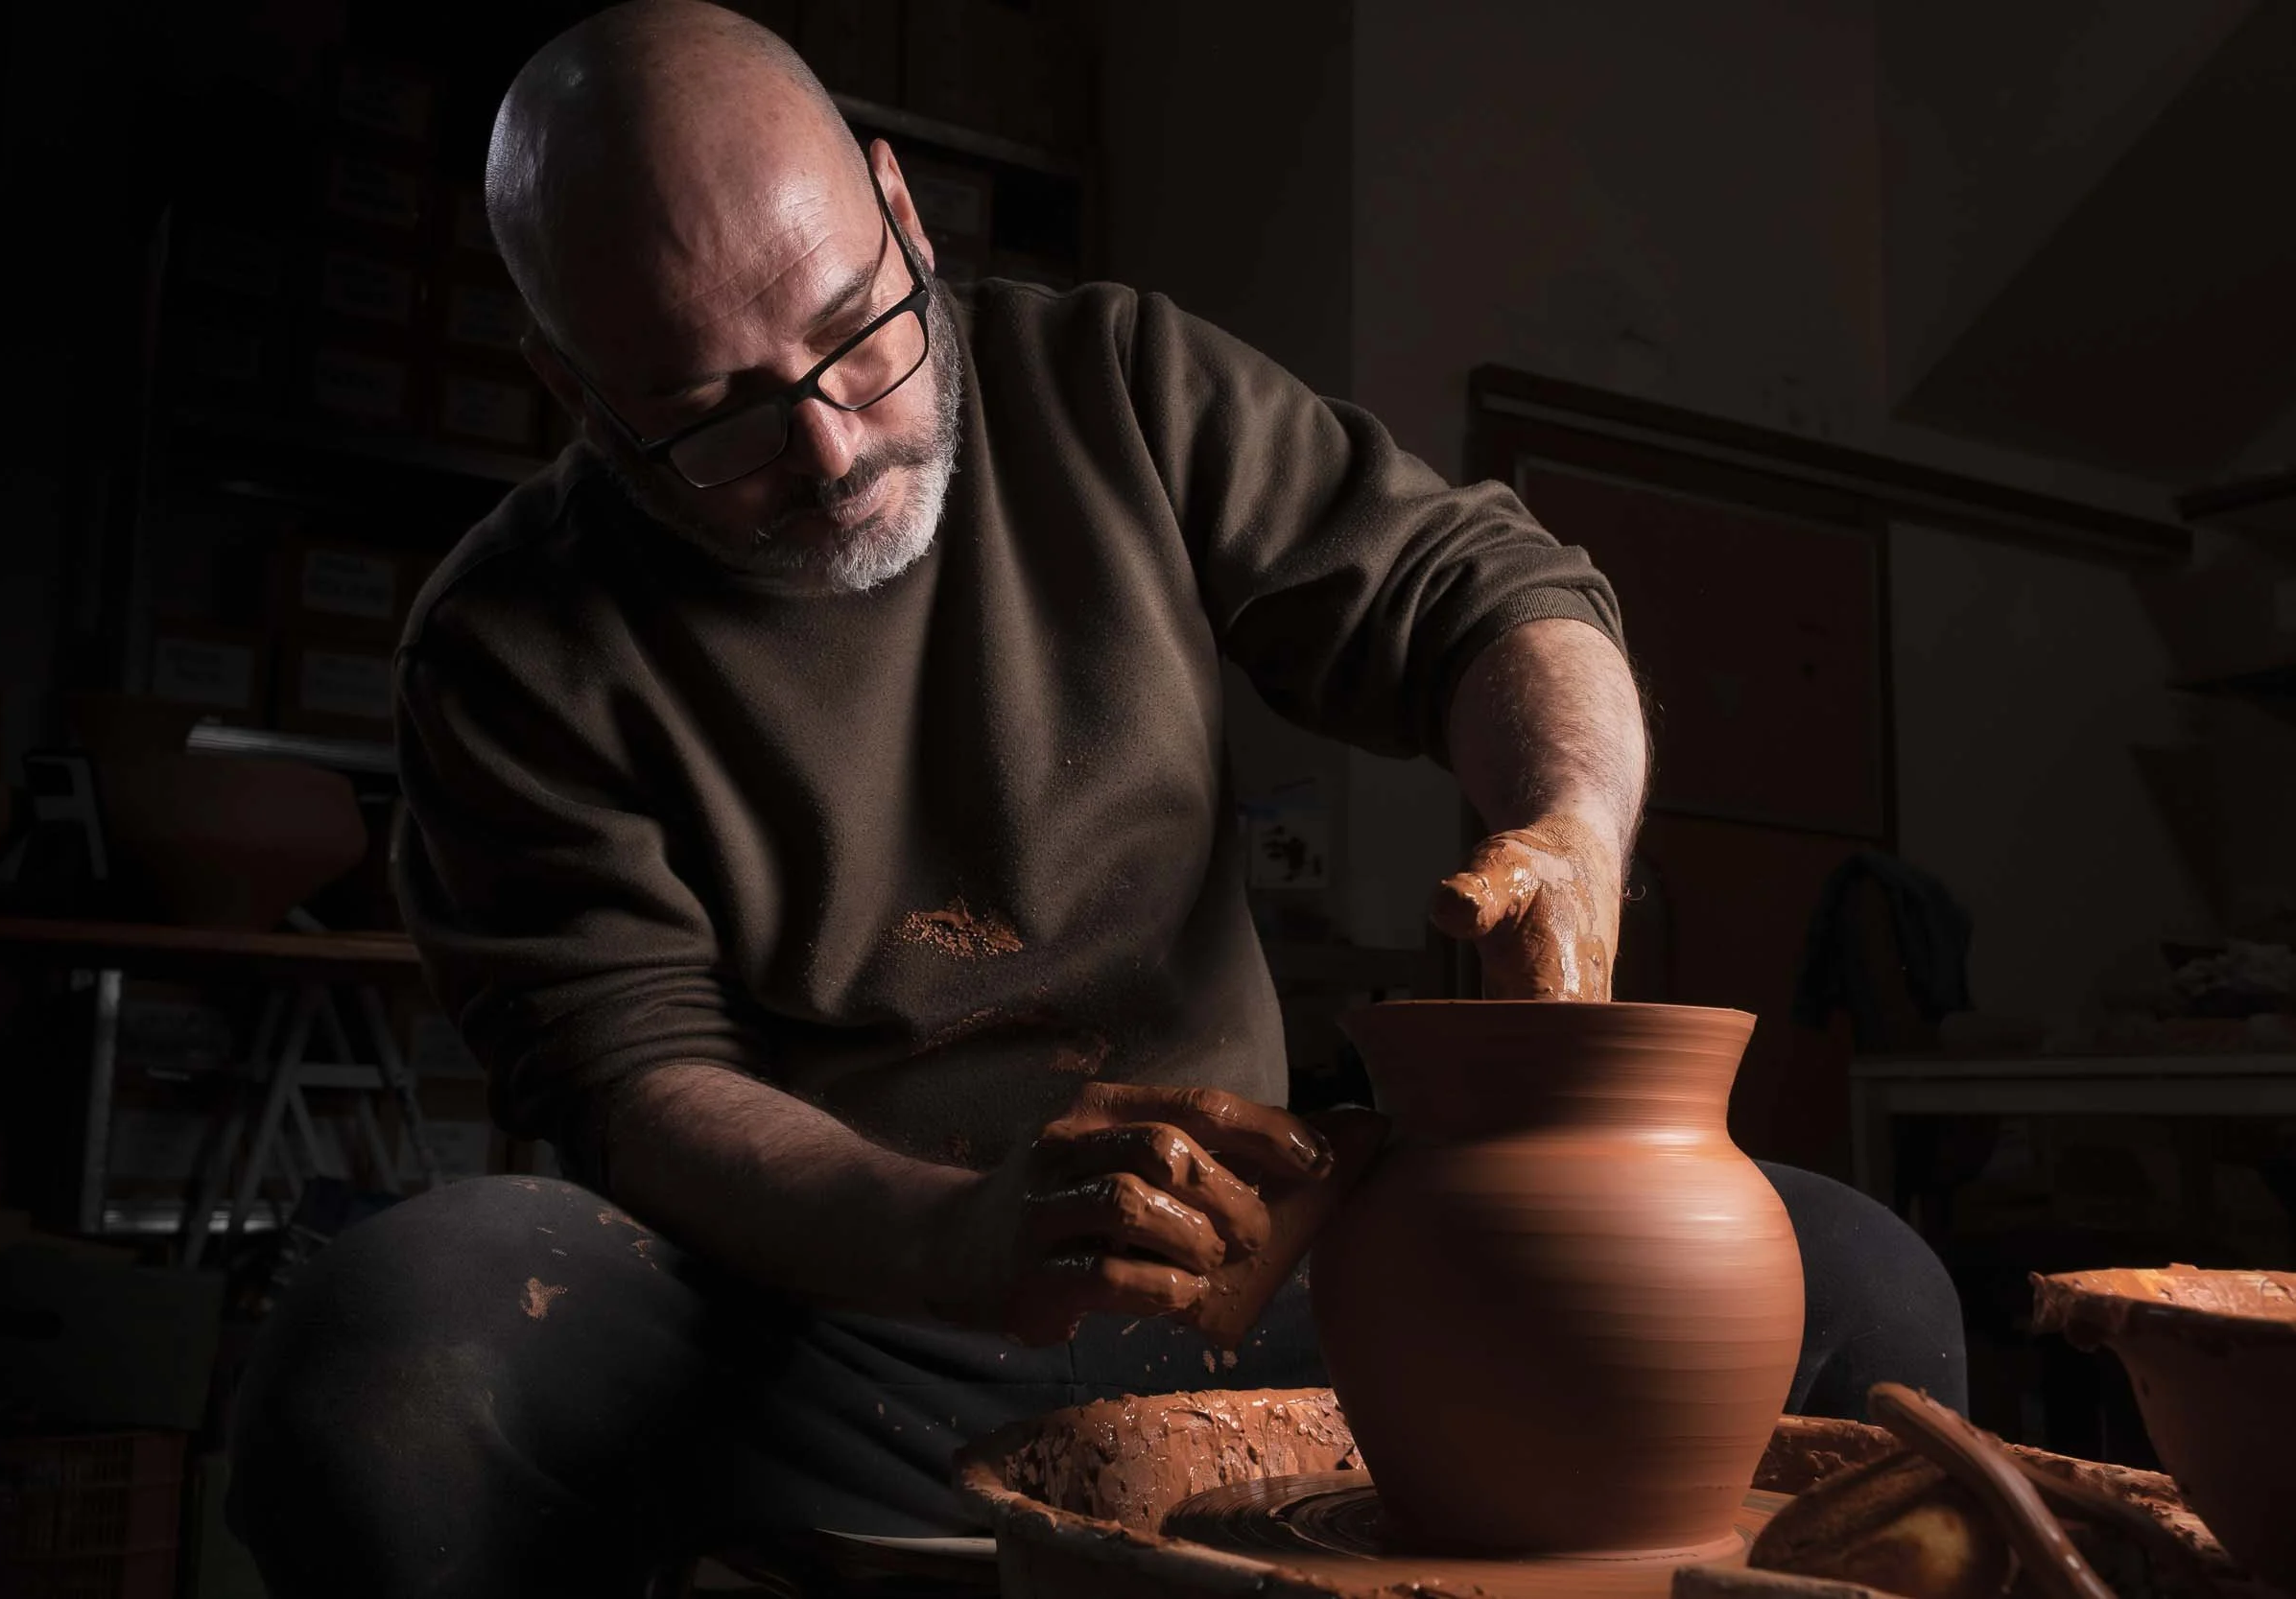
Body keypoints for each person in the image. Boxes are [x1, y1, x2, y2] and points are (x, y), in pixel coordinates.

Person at [226, 4, 1967, 1593]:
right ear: (575, 391)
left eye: (860, 335)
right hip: (844, 1324)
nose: (831, 443)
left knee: (1860, 1282)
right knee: (402, 1340)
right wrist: (962, 1234)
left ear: (904, 213)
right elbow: (634, 1079)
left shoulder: (1109, 384)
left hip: (1262, 1286)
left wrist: (1571, 825)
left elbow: (1487, 592)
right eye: (714, 413)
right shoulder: (511, 640)